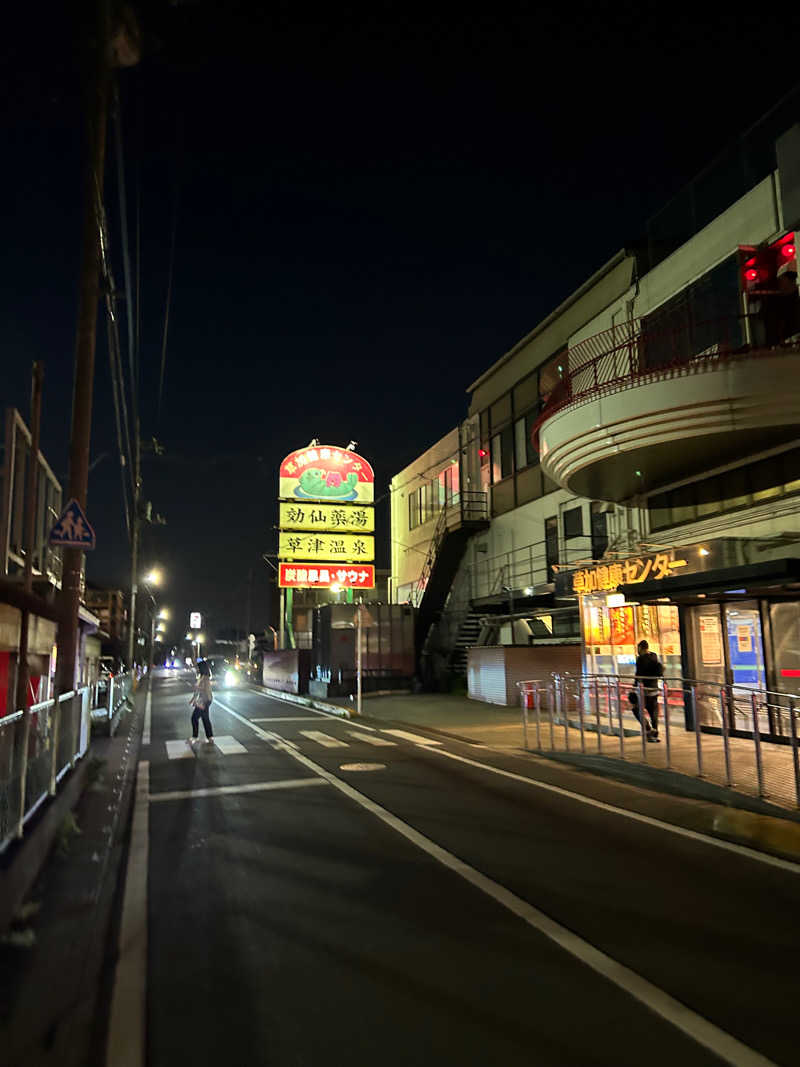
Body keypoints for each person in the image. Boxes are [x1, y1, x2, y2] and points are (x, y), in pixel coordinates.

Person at [629, 639, 663, 742]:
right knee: (653, 711)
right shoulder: (654, 656)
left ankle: (648, 729)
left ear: (640, 648)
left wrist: (634, 687)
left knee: (636, 709)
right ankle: (655, 733)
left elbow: (638, 674)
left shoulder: (640, 659)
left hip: (644, 690)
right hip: (654, 689)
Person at [189, 661, 214, 745]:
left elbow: (205, 690)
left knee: (194, 718)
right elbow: (198, 690)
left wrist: (203, 703)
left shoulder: (205, 678)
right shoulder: (202, 677)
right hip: (204, 700)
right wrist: (193, 699)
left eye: (198, 668)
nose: (197, 669)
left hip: (205, 700)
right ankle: (210, 737)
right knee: (205, 718)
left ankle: (195, 736)